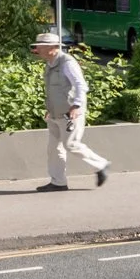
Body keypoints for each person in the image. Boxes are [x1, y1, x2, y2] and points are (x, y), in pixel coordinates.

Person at [32, 30, 110, 191]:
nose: (37, 49)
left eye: (40, 46)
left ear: (52, 47)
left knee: (71, 144)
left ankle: (101, 165)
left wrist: (76, 105)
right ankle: (58, 182)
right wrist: (49, 109)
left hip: (69, 113)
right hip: (55, 114)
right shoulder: (50, 63)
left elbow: (81, 85)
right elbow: (53, 90)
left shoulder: (67, 62)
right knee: (54, 149)